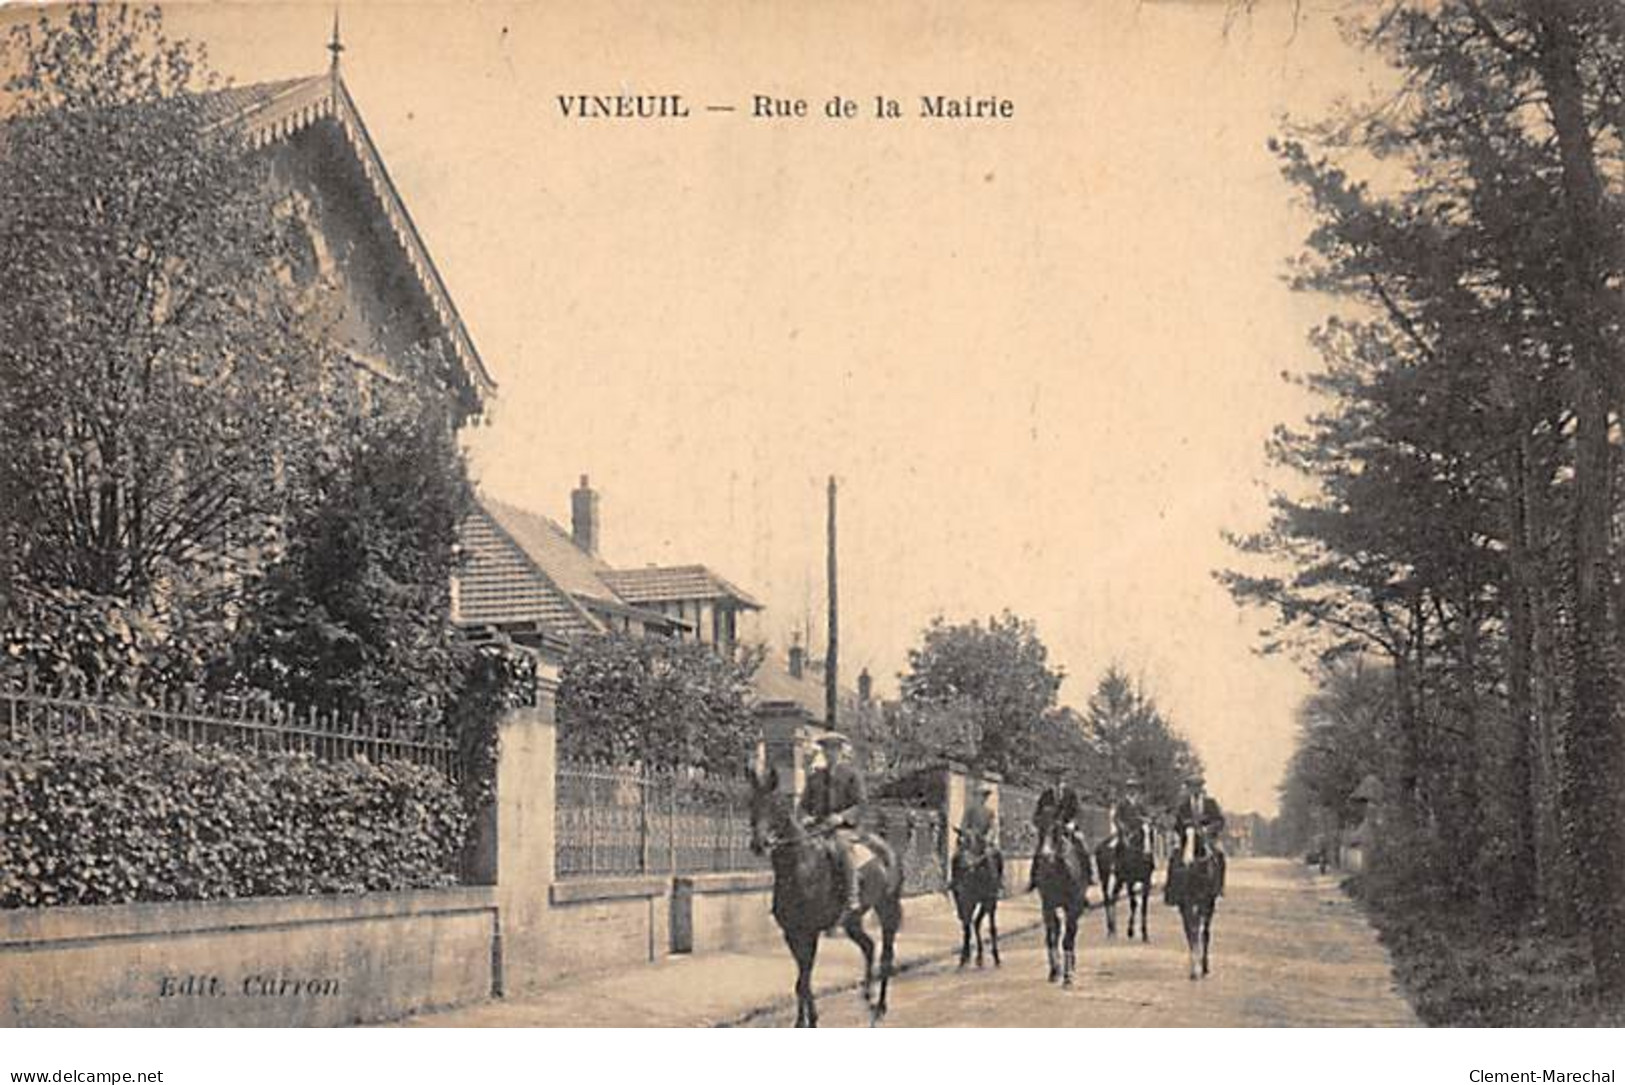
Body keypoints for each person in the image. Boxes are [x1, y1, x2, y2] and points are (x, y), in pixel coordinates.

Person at [800, 732, 868, 926]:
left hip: (844, 829)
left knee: (841, 847)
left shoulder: (852, 775)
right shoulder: (815, 777)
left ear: (840, 751)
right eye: (826, 749)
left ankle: (852, 896)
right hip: (818, 827)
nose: (830, 753)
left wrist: (841, 817)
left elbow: (861, 804)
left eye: (834, 749)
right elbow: (804, 804)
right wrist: (805, 816)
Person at [1166, 770, 1226, 903]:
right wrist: (1186, 828)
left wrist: (1209, 829)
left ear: (1202, 787)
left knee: (1220, 855)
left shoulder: (1210, 803)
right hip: (1188, 840)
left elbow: (1220, 821)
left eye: (1197, 786)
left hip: (1207, 839)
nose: (1195, 789)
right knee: (1173, 858)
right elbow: (1177, 824)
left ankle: (1219, 887)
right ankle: (1171, 891)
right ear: (1188, 789)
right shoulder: (1183, 806)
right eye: (1192, 786)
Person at [1028, 779, 1085, 891]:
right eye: (1055, 776)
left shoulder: (1071, 793)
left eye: (1060, 777)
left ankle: (1086, 877)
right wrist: (1039, 824)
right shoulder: (1046, 795)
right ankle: (1034, 879)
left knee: (1082, 848)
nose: (1058, 780)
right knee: (1040, 852)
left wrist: (1072, 823)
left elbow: (1078, 811)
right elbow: (1037, 814)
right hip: (1050, 830)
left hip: (1067, 829)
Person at [1110, 776, 1154, 862]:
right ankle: (1114, 862)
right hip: (1125, 829)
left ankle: (1148, 854)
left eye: (1134, 788)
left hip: (1137, 828)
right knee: (1115, 843)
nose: (1132, 790)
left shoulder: (1140, 804)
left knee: (1147, 835)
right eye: (1130, 788)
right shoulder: (1122, 803)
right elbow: (1116, 817)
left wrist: (1145, 819)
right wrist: (1122, 827)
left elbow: (1147, 816)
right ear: (1127, 789)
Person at [957, 783, 999, 867]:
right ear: (976, 796)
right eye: (982, 795)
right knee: (958, 858)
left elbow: (993, 827)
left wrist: (988, 837)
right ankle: (956, 879)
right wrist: (968, 833)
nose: (984, 798)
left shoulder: (990, 812)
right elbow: (964, 825)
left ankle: (996, 878)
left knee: (996, 856)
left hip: (984, 843)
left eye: (986, 796)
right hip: (970, 842)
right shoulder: (969, 811)